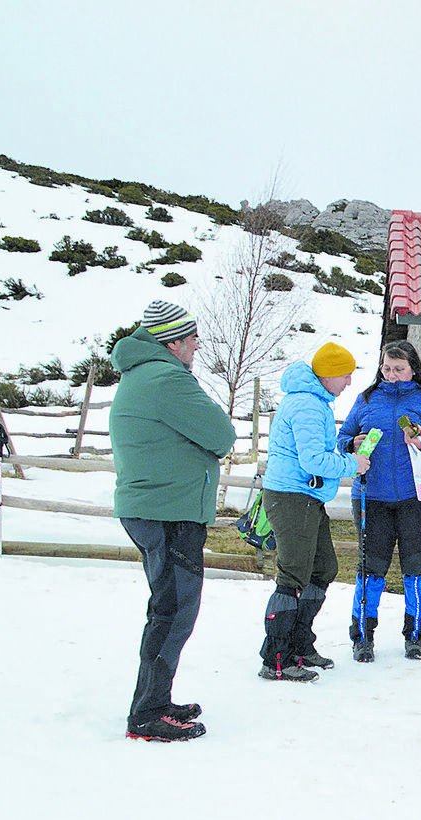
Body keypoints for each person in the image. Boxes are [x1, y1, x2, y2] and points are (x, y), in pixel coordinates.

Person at [109, 299, 237, 741]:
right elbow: (222, 434)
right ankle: (147, 714)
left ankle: (157, 700)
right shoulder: (166, 379)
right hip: (168, 512)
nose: (197, 347)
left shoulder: (141, 373)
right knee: (174, 610)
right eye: (193, 340)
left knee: (166, 607)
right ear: (174, 342)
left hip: (155, 507)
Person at [337, 340, 421, 661]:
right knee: (370, 570)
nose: (391, 374)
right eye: (386, 368)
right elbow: (341, 440)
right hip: (370, 497)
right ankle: (362, 638)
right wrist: (353, 442)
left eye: (398, 369)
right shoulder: (366, 399)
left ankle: (417, 637)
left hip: (417, 499)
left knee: (417, 568)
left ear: (412, 369)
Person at [259, 342, 370, 681]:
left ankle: (299, 644)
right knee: (293, 575)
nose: (349, 383)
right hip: (292, 496)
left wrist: (346, 447)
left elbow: (315, 450)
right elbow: (311, 461)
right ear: (329, 374)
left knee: (323, 568)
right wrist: (353, 463)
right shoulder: (307, 404)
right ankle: (276, 658)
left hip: (306, 496)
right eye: (346, 376)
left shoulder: (314, 401)